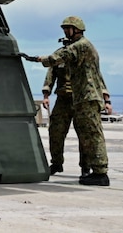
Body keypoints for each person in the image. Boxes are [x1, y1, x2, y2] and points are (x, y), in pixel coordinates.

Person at [29, 16, 111, 186]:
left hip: (86, 97)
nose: (66, 32)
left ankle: (99, 171)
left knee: (91, 135)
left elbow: (55, 58)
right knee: (81, 133)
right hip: (76, 98)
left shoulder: (80, 47)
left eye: (68, 29)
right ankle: (67, 164)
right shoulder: (82, 48)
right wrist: (46, 93)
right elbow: (52, 72)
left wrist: (37, 59)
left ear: (77, 30)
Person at [42, 38, 112, 176]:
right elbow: (50, 76)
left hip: (81, 98)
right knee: (56, 131)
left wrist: (107, 100)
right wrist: (46, 95)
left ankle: (86, 167)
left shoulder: (85, 55)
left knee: (85, 133)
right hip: (63, 99)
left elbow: (97, 77)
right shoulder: (59, 56)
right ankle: (56, 163)